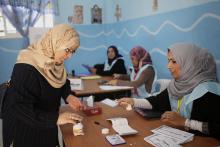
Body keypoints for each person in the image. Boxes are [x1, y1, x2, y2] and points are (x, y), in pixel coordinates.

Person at [2, 24, 85, 147]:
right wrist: (55, 119)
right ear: (56, 42)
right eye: (67, 50)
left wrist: (68, 96)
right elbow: (19, 106)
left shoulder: (55, 61)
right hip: (25, 128)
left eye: (73, 51)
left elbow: (61, 81)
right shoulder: (26, 67)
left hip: (46, 123)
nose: (70, 56)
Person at [118, 43, 220, 139]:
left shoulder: (209, 91)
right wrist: (133, 101)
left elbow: (216, 128)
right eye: (169, 61)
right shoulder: (177, 85)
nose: (168, 66)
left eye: (174, 61)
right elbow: (156, 101)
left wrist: (185, 122)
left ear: (190, 64)